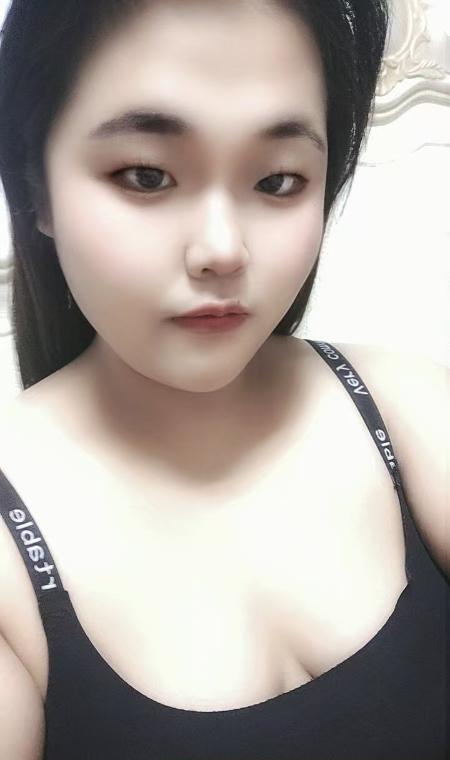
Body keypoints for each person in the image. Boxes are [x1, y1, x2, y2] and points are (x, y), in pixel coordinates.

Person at [0, 1, 448, 758]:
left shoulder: (408, 408)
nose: (222, 249)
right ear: (35, 186)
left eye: (278, 181)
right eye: (147, 175)